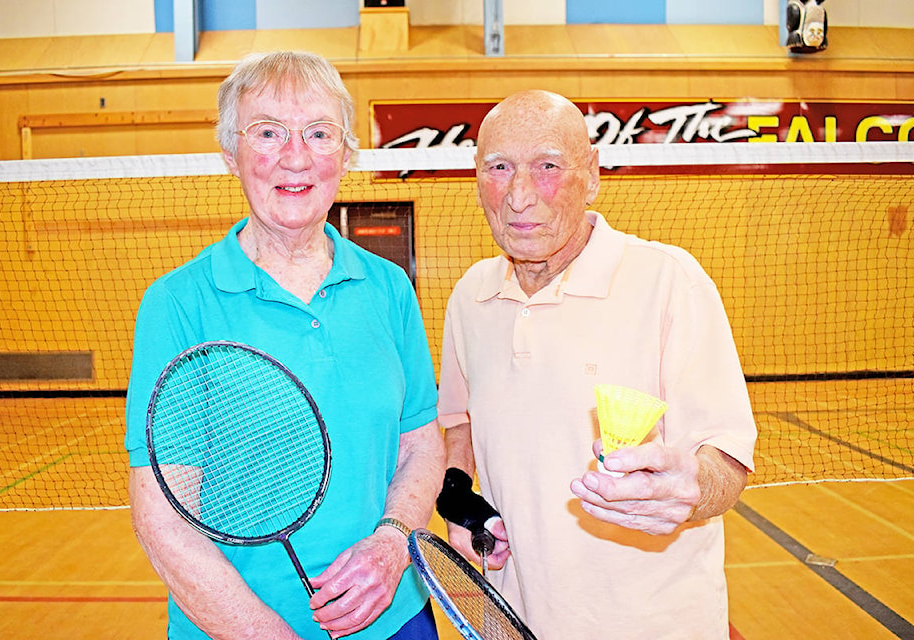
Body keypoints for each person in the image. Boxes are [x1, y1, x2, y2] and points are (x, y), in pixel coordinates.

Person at [124, 51, 444, 640]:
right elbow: (163, 520)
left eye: (319, 133)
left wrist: (394, 540)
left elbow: (421, 445)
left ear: (345, 154)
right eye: (267, 132)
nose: (295, 157)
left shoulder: (389, 288)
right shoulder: (178, 305)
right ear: (231, 153)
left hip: (397, 615)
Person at [436, 90, 757, 639]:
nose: (518, 196)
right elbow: (460, 421)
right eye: (499, 168)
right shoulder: (470, 297)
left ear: (592, 174)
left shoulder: (669, 281)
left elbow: (725, 461)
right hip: (514, 619)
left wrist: (689, 489)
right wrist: (457, 495)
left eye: (547, 167)